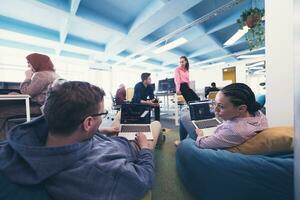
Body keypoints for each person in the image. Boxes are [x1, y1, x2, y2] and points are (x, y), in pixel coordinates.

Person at [0, 81, 160, 200]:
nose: (103, 116)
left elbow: (81, 135)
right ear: (88, 123)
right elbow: (144, 178)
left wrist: (101, 130)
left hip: (102, 139)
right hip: (131, 146)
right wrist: (145, 148)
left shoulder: (31, 140)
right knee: (155, 124)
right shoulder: (99, 171)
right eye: (102, 114)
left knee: (120, 116)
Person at [176, 83, 268, 148]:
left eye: (221, 106)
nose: (215, 110)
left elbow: (202, 143)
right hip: (222, 130)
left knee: (184, 117)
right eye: (215, 104)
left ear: (241, 109)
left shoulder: (234, 131)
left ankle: (182, 143)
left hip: (207, 138)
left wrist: (200, 134)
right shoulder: (258, 114)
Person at [0, 53, 58, 140]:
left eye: (29, 63)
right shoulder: (54, 74)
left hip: (38, 107)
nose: (28, 65)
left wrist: (27, 77)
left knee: (2, 111)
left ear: (37, 63)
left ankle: (9, 141)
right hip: (47, 106)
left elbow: (27, 93)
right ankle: (14, 137)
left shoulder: (41, 75)